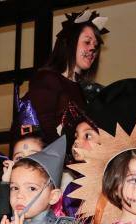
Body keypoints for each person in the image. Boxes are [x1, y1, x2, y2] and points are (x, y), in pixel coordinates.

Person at [26, 9, 109, 143]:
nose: (93, 49)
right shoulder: (47, 79)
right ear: (69, 42)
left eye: (96, 45)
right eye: (87, 42)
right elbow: (44, 128)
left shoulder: (83, 90)